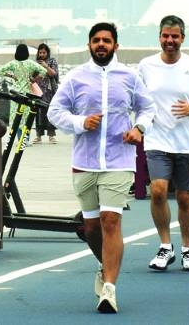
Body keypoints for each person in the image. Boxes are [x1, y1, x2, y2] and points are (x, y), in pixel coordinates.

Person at [48, 22, 154, 314]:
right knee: (92, 227)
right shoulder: (75, 78)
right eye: (96, 40)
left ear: (116, 46)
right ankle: (104, 262)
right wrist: (81, 123)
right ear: (89, 45)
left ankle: (109, 289)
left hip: (119, 159)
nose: (101, 45)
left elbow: (148, 107)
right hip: (84, 161)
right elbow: (54, 112)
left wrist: (139, 128)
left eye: (106, 40)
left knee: (110, 221)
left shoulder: (130, 77)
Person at [137, 15, 189, 272]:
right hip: (157, 139)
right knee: (158, 190)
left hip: (186, 143)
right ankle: (165, 246)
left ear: (182, 38)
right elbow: (137, 99)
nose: (170, 41)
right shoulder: (146, 66)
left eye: (175, 37)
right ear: (159, 37)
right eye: (165, 36)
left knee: (184, 197)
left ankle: (188, 249)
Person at [0, 44, 49, 145]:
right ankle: (25, 140)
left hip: (16, 93)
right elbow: (43, 71)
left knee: (16, 116)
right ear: (27, 52)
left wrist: (11, 76)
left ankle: (19, 140)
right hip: (27, 93)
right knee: (26, 118)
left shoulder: (13, 63)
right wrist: (34, 78)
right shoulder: (30, 63)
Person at [33, 43, 60, 144]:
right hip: (38, 92)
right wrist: (38, 76)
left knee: (50, 112)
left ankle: (51, 136)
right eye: (40, 52)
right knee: (38, 113)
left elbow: (54, 74)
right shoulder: (35, 63)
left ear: (47, 53)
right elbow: (33, 78)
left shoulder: (52, 61)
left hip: (50, 92)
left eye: (44, 52)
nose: (42, 54)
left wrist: (46, 66)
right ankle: (38, 136)